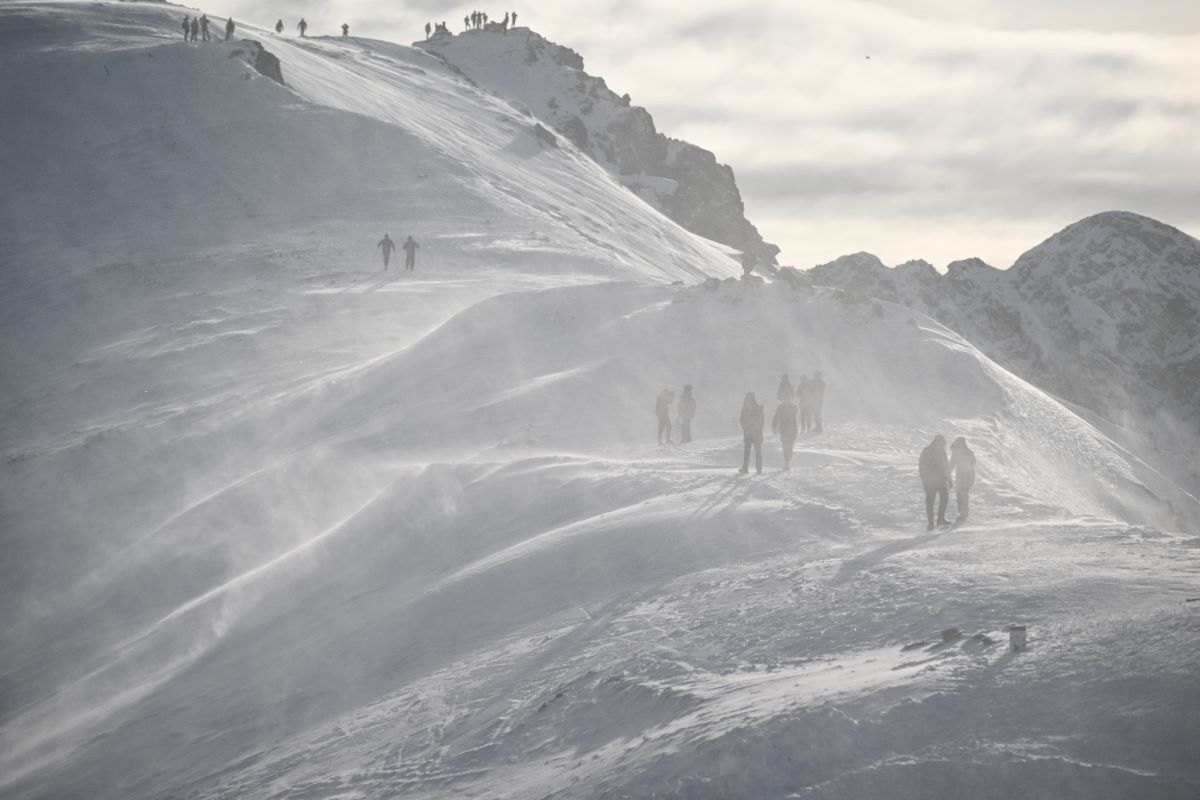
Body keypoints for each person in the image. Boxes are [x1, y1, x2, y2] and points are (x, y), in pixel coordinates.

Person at [919, 435, 951, 530]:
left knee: (944, 499)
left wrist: (949, 480)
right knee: (930, 502)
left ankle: (940, 519)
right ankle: (930, 523)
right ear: (937, 442)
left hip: (941, 480)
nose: (942, 447)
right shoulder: (927, 451)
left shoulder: (942, 451)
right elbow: (922, 467)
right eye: (941, 444)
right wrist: (925, 480)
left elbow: (946, 466)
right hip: (930, 481)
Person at [950, 437, 976, 521]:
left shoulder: (957, 453)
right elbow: (973, 462)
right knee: (964, 493)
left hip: (963, 475)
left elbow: (951, 465)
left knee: (961, 493)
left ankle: (963, 513)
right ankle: (964, 513)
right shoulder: (968, 452)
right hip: (969, 475)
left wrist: (947, 475)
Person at [771, 395, 799, 471]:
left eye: (788, 398)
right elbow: (776, 416)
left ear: (790, 399)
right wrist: (774, 426)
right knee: (785, 446)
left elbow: (793, 415)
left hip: (792, 429)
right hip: (784, 430)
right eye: (785, 399)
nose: (786, 400)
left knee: (789, 446)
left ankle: (788, 462)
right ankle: (787, 462)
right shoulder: (780, 407)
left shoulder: (793, 407)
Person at [740, 393, 764, 474]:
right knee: (753, 451)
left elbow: (761, 422)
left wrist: (747, 427)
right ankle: (756, 468)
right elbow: (742, 421)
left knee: (750, 451)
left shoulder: (756, 408)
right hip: (752, 433)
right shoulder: (754, 408)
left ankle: (753, 468)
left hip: (753, 433)